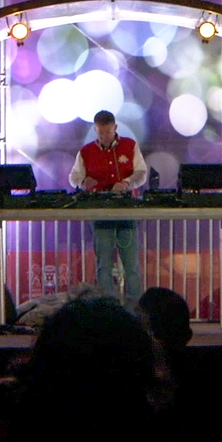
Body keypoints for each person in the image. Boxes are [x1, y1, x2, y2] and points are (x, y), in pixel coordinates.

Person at [72, 110, 149, 303]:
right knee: (103, 265)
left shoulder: (130, 146)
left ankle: (135, 309)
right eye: (101, 133)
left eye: (108, 132)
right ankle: (108, 307)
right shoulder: (86, 151)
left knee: (131, 265)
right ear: (96, 130)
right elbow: (73, 176)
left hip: (126, 209)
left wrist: (126, 183)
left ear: (115, 128)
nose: (105, 136)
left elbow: (141, 173)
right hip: (99, 210)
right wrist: (82, 183)